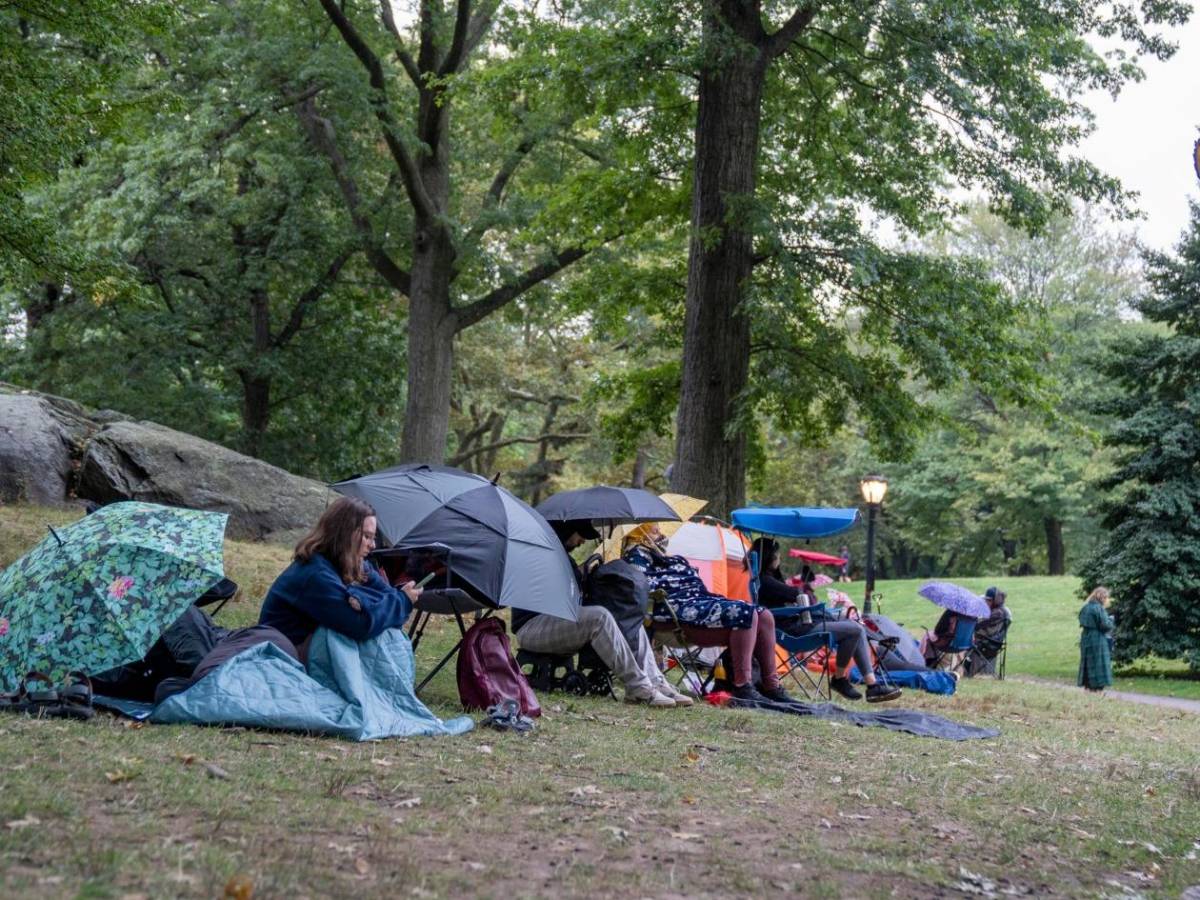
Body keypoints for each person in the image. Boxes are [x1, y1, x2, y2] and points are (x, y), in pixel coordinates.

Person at [513, 520, 689, 708]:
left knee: (628, 615)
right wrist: (584, 574)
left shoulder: (561, 555)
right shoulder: (544, 553)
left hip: (555, 621)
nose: (581, 542)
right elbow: (562, 591)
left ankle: (654, 681)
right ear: (568, 531)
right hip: (532, 627)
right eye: (580, 536)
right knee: (599, 616)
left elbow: (572, 582)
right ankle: (638, 687)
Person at [622, 524, 795, 704]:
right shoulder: (636, 557)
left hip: (699, 601)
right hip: (675, 612)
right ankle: (742, 686)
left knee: (764, 615)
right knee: (746, 613)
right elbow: (643, 589)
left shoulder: (665, 556)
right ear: (638, 533)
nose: (661, 532)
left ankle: (772, 687)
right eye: (653, 529)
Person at [258, 497, 421, 658]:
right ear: (344, 534)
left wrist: (381, 603)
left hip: (305, 652)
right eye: (366, 536)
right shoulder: (315, 573)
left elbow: (388, 603)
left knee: (384, 629)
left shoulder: (353, 564)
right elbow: (360, 625)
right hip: (280, 655)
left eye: (373, 538)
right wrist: (401, 601)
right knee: (362, 635)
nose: (373, 545)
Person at [749, 538, 901, 703]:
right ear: (769, 557)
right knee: (854, 630)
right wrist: (803, 595)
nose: (779, 559)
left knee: (851, 625)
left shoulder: (766, 579)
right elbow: (795, 594)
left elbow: (794, 593)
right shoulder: (765, 581)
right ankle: (845, 680)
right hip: (795, 631)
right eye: (777, 555)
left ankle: (871, 684)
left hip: (800, 624)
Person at [1078, 586, 1114, 692]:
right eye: (1106, 598)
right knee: (1098, 662)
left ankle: (1088, 687)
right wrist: (1111, 621)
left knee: (1088, 662)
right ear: (1102, 597)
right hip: (1097, 638)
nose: (1107, 600)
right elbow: (1105, 625)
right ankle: (1097, 687)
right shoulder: (1098, 608)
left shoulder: (1085, 608)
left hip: (1085, 637)